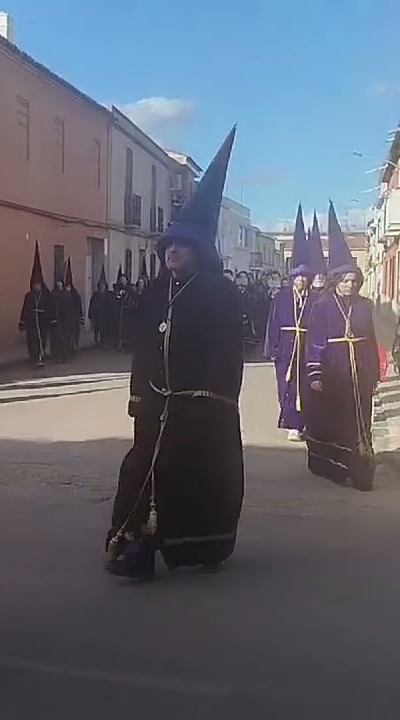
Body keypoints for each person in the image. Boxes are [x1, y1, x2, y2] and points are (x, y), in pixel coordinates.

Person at [105, 127, 244, 581]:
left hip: (199, 407)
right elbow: (145, 348)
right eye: (168, 247)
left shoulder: (219, 294)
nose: (172, 253)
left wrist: (215, 400)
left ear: (199, 251)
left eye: (180, 247)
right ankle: (133, 547)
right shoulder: (155, 292)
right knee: (141, 471)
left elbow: (228, 354)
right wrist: (137, 395)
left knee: (192, 476)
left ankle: (195, 547)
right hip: (156, 403)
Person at [305, 263, 381, 492]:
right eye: (346, 281)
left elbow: (371, 340)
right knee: (336, 421)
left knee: (361, 420)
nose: (350, 285)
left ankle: (361, 469)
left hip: (360, 371)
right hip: (333, 371)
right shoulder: (322, 306)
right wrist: (315, 373)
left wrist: (374, 373)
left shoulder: (364, 305)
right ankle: (335, 468)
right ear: (336, 282)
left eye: (354, 281)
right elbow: (315, 342)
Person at [265, 264, 314, 442]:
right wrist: (272, 348)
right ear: (292, 279)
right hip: (285, 347)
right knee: (287, 386)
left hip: (307, 346)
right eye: (297, 277)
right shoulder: (281, 298)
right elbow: (273, 323)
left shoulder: (314, 299)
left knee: (306, 385)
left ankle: (304, 423)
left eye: (304, 277)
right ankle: (291, 424)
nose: (301, 280)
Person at [18, 243, 56, 368]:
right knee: (32, 341)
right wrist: (23, 321)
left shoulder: (46, 295)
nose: (36, 287)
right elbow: (25, 309)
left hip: (42, 322)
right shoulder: (29, 295)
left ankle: (40, 357)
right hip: (32, 323)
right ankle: (34, 357)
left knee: (42, 340)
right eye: (34, 285)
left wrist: (51, 319)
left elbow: (51, 307)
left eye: (38, 284)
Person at [88, 271, 111, 348]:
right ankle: (96, 340)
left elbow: (110, 305)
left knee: (104, 328)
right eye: (101, 285)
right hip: (97, 314)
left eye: (103, 285)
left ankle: (103, 340)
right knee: (96, 328)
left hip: (105, 315)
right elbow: (92, 304)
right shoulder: (95, 295)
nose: (102, 287)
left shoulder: (108, 295)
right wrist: (90, 315)